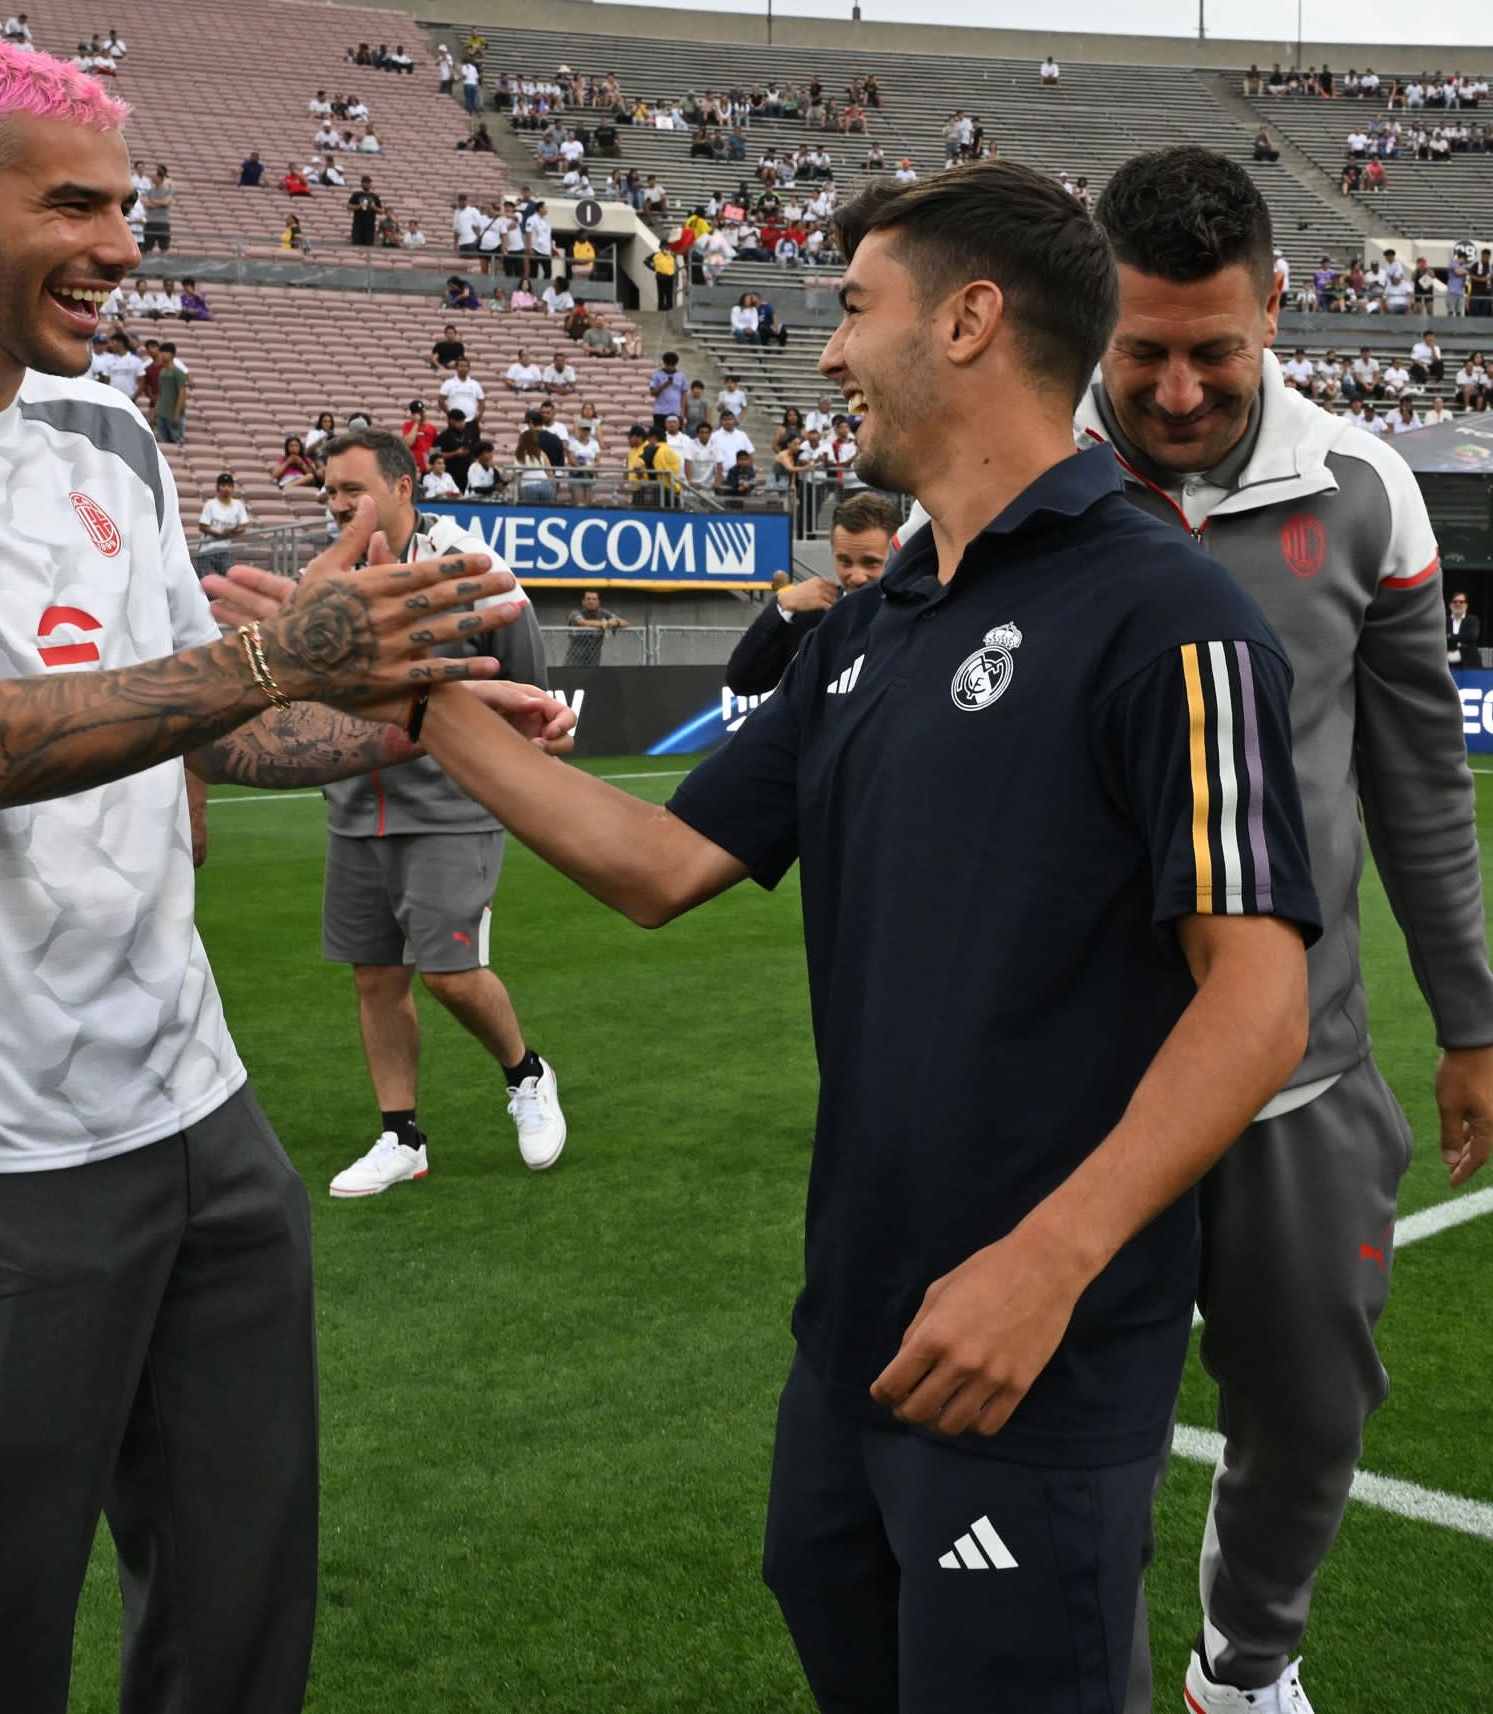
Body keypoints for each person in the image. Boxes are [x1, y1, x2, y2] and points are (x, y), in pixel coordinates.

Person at [251, 157, 1320, 1714]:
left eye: (856, 307)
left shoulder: (1173, 615)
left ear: (969, 320)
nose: (826, 350)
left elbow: (1260, 1000)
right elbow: (658, 857)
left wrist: (1048, 1260)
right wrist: (411, 701)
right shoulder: (873, 626)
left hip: (1036, 1349)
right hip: (855, 1337)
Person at [0, 38, 565, 1714]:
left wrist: (402, 719)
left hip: (198, 1121)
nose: (117, 244)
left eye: (126, 205)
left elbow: (211, 735)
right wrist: (278, 656)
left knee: (238, 1625)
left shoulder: (109, 434)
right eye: (71, 203)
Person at [1075, 147, 1493, 1714]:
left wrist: (1471, 1021)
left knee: (1315, 1401)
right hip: (1080, 1076)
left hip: (1304, 1069)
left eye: (1214, 351)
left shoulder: (1362, 490)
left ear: (1275, 314)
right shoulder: (1019, 478)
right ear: (1098, 325)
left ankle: (1242, 1668)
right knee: (1077, 1415)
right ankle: (1086, 1679)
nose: (1177, 390)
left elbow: (1418, 783)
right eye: (1142, 350)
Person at [203, 426, 563, 1200]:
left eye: (351, 490)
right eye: (329, 491)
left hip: (450, 806)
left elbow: (528, 673)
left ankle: (527, 1075)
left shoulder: (470, 564)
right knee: (375, 978)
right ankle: (401, 1135)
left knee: (450, 976)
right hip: (354, 810)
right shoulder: (327, 578)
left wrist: (532, 734)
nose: (337, 505)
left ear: (404, 487)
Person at [725, 493, 900, 693]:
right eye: (845, 561)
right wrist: (781, 606)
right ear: (833, 553)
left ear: (897, 554)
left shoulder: (919, 617)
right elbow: (742, 682)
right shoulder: (810, 618)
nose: (857, 576)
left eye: (871, 562)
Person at [195, 471, 249, 573]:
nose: (226, 488)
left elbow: (244, 526)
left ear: (233, 488)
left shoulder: (238, 505)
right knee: (205, 582)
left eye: (229, 485)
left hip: (224, 549)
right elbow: (202, 526)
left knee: (228, 579)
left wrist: (233, 531)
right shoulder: (210, 504)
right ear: (218, 487)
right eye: (223, 485)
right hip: (207, 549)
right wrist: (218, 534)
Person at [563, 588, 628, 665]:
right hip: (574, 660)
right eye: (588, 599)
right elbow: (583, 623)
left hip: (594, 660)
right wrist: (605, 624)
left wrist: (616, 623)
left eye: (594, 599)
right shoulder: (575, 613)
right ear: (583, 602)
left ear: (598, 602)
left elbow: (625, 623)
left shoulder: (603, 613)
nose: (591, 602)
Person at [1446, 590, 1480, 667]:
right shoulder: (1443, 621)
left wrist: (1449, 636)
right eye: (1455, 602)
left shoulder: (1472, 620)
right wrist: (1461, 642)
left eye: (1461, 602)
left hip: (1469, 664)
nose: (1458, 604)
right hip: (1447, 665)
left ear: (1466, 605)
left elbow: (1472, 636)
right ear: (1450, 605)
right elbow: (1439, 638)